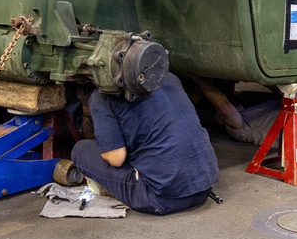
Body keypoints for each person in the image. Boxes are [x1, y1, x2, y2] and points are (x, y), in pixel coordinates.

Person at [71, 72, 220, 215]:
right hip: (204, 187)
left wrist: (89, 110)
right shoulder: (168, 77)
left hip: (162, 198)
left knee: (81, 149)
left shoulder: (102, 97)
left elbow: (116, 160)